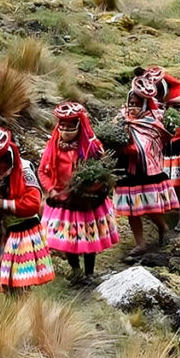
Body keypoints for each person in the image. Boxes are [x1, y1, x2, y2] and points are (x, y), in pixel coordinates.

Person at [38, 102, 120, 284]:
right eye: (62, 126)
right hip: (63, 200)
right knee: (68, 238)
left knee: (88, 237)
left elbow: (104, 169)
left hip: (86, 201)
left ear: (79, 125)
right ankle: (76, 270)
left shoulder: (92, 146)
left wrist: (92, 185)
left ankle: (89, 273)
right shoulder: (53, 146)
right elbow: (43, 170)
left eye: (70, 126)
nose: (65, 130)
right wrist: (50, 189)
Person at [0, 128, 55, 291]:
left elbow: (33, 203)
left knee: (19, 279)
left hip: (22, 230)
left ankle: (23, 309)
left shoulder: (24, 171)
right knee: (4, 279)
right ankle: (11, 310)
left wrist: (4, 204)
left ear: (5, 159)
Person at [114, 77, 180, 256]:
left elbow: (144, 148)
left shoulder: (153, 123)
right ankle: (140, 243)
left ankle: (163, 226)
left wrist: (125, 148)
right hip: (127, 171)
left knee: (149, 206)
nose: (132, 107)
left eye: (137, 104)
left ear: (144, 105)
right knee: (132, 210)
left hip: (147, 172)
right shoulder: (120, 120)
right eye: (130, 103)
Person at [138, 65, 180, 232]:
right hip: (159, 146)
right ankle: (166, 213)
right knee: (160, 183)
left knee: (179, 184)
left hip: (179, 145)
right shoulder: (148, 101)